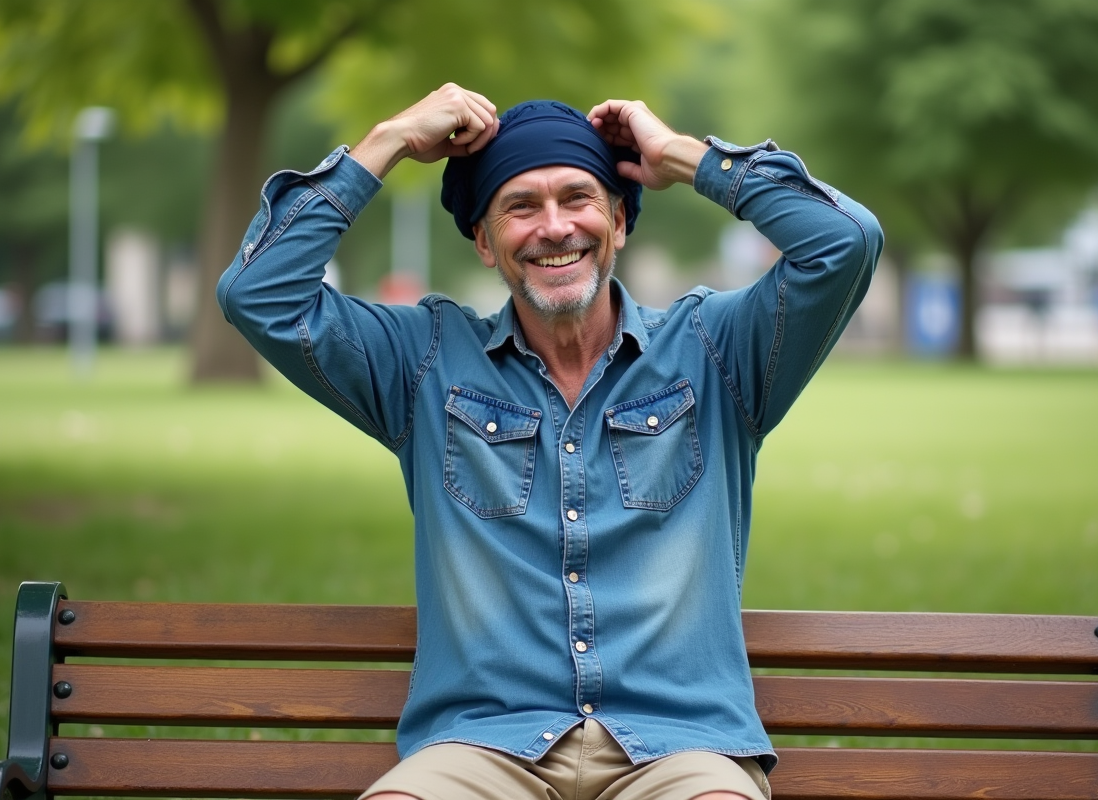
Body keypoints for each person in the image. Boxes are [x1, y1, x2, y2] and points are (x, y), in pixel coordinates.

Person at [217, 83, 882, 800]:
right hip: (485, 748)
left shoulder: (717, 351)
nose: (555, 227)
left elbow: (844, 242)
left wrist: (683, 157)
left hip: (679, 749)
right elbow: (258, 292)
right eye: (521, 206)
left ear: (619, 221)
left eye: (578, 198)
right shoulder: (424, 364)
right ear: (484, 241)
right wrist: (391, 140)